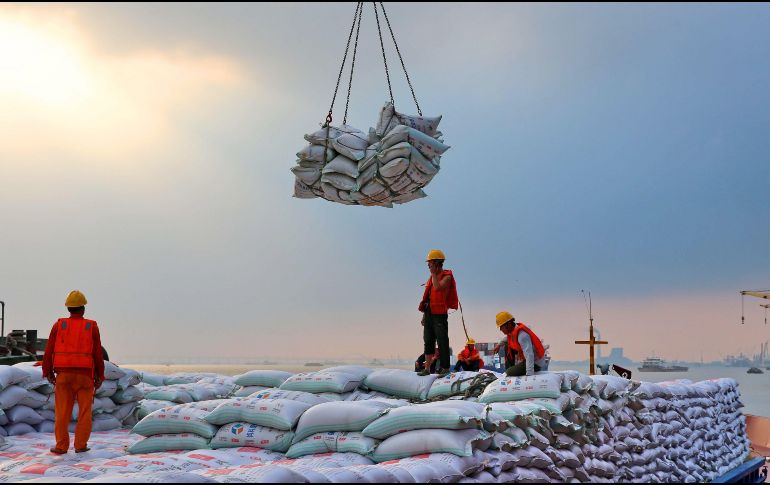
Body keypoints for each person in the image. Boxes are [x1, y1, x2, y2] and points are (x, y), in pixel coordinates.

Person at [42, 290, 105, 455]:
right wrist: (100, 375)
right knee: (85, 412)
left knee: (62, 412)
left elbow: (48, 351)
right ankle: (80, 445)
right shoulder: (91, 326)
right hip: (85, 377)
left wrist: (47, 371)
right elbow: (98, 353)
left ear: (68, 309)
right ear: (83, 308)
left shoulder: (59, 325)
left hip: (64, 377)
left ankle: (61, 446)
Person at [418, 249, 459, 378]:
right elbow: (429, 297)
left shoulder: (447, 276)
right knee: (428, 340)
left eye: (430, 263)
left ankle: (445, 368)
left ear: (437, 263)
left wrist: (434, 274)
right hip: (429, 313)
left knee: (442, 341)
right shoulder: (431, 277)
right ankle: (427, 368)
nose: (428, 266)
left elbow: (438, 287)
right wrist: (425, 315)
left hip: (440, 314)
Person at [493, 311, 547, 377]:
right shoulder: (513, 331)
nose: (501, 329)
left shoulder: (522, 336)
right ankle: (510, 369)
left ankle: (509, 372)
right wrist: (499, 345)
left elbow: (529, 355)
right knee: (506, 346)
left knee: (509, 372)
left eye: (501, 327)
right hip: (528, 360)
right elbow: (507, 338)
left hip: (535, 363)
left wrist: (529, 374)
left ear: (509, 324)